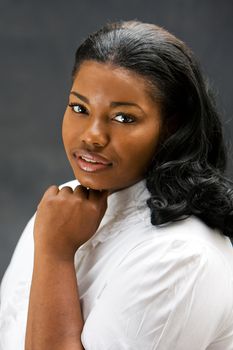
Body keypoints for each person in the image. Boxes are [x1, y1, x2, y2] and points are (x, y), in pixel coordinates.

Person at [0, 20, 233, 350]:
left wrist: (55, 254)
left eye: (124, 117)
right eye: (80, 108)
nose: (92, 135)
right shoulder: (60, 211)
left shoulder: (181, 256)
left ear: (172, 126)